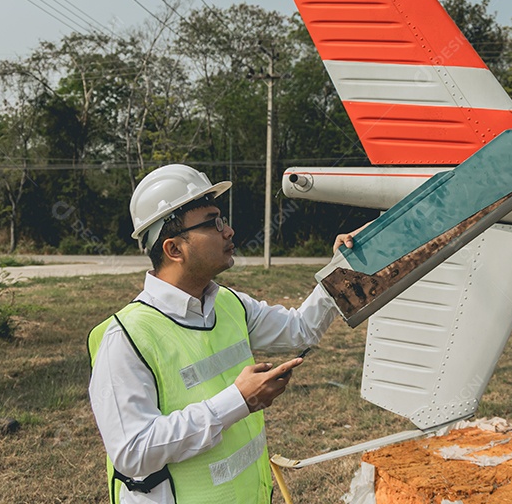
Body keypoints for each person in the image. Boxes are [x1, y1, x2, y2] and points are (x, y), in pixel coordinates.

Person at [88, 164, 354, 503]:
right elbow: (133, 451)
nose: (228, 231)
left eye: (222, 220)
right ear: (174, 249)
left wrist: (341, 269)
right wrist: (237, 400)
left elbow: (299, 331)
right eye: (213, 223)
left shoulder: (228, 304)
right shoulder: (126, 337)